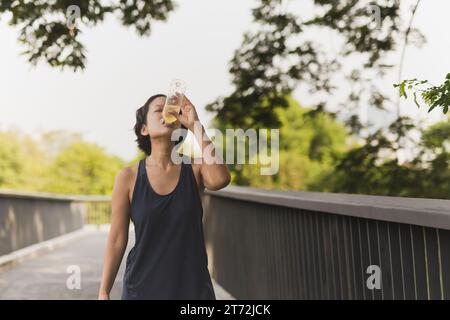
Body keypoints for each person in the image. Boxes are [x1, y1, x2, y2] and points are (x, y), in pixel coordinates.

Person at [98, 94, 230, 299]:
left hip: (193, 291)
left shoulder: (194, 169)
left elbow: (220, 179)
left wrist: (196, 126)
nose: (167, 114)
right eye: (159, 110)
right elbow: (116, 239)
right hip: (141, 290)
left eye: (173, 111)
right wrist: (104, 291)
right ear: (144, 129)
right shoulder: (128, 177)